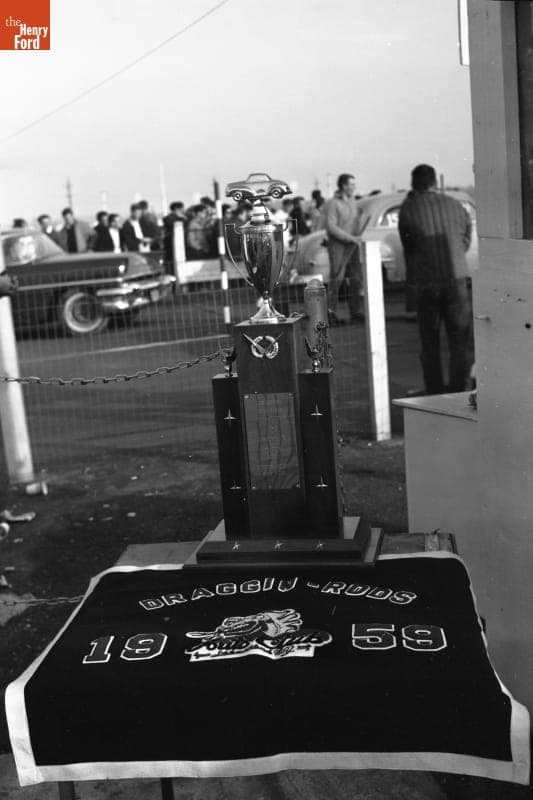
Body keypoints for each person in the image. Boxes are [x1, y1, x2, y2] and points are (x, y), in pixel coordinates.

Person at [398, 163, 473, 395]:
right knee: (459, 340)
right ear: (434, 183)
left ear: (414, 184)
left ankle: (434, 389)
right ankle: (459, 388)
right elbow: (466, 240)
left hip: (427, 282)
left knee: (429, 341)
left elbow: (408, 245)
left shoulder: (409, 209)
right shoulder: (456, 205)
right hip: (457, 279)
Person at [323, 173, 366, 324]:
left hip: (353, 245)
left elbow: (355, 223)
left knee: (356, 279)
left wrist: (356, 236)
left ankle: (356, 311)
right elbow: (331, 226)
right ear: (344, 186)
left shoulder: (353, 202)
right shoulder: (333, 204)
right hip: (338, 246)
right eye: (352, 184)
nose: (354, 187)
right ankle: (330, 314)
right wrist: (350, 238)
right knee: (337, 280)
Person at [162, 201, 186, 271]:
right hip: (171, 243)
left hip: (173, 243)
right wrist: (182, 218)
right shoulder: (170, 219)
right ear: (177, 209)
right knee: (172, 261)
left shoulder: (180, 218)